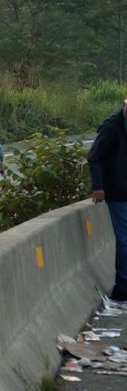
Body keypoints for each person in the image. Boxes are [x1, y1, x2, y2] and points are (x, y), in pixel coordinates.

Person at [89, 97, 127, 302]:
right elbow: (95, 156)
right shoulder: (112, 128)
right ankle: (122, 287)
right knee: (124, 240)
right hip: (118, 191)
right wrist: (98, 187)